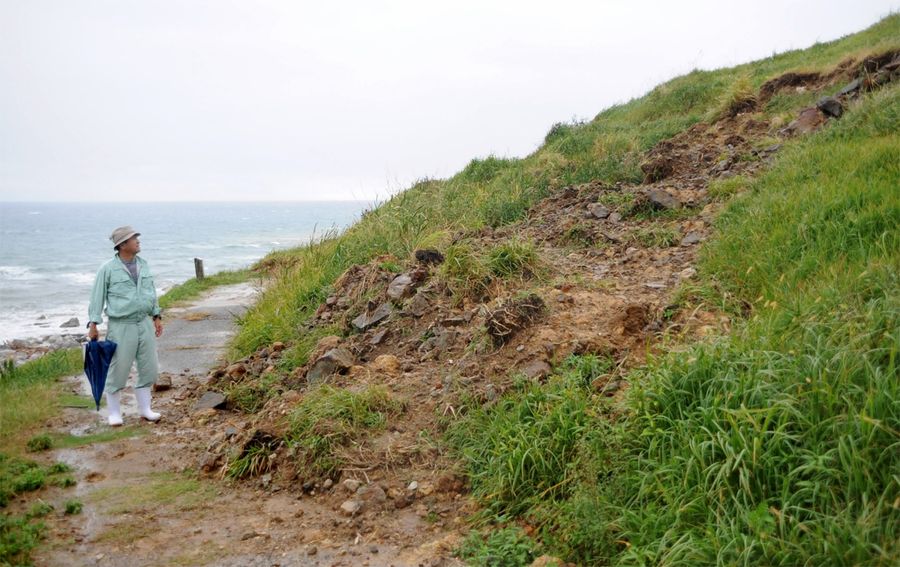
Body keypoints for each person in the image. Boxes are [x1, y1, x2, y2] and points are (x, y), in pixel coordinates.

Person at [87, 226, 164, 426]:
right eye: (133, 238)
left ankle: (146, 409)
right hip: (121, 325)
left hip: (143, 322)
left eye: (137, 237)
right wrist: (93, 324)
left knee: (150, 366)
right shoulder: (107, 269)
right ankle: (114, 413)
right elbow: (97, 297)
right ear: (122, 245)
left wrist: (156, 315)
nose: (138, 241)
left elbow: (151, 292)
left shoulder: (144, 265)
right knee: (118, 368)